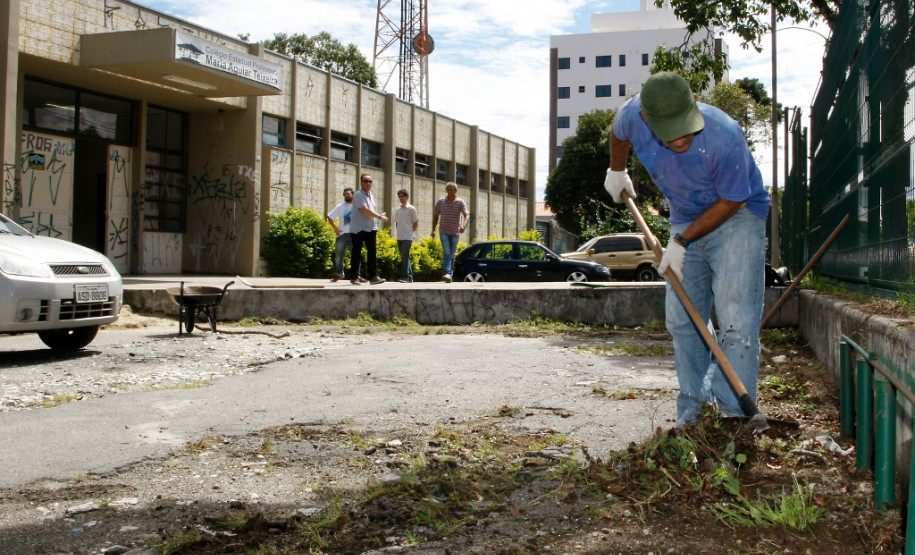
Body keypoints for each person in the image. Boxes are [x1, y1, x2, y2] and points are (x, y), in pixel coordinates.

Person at [605, 72, 771, 427]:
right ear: (647, 119)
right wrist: (617, 171)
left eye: (686, 126)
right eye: (670, 130)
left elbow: (732, 200)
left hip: (738, 215)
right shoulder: (633, 114)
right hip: (685, 216)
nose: (681, 138)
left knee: (736, 320)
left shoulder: (725, 135)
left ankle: (732, 417)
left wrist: (680, 242)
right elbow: (617, 133)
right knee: (682, 319)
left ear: (693, 101)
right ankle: (694, 413)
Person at [350, 173, 388, 285]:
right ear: (361, 182)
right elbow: (364, 209)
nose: (368, 183)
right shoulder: (358, 195)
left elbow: (370, 210)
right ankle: (354, 277)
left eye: (370, 181)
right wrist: (380, 216)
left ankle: (373, 276)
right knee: (357, 253)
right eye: (365, 181)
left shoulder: (370, 195)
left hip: (371, 228)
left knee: (372, 253)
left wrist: (378, 215)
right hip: (359, 229)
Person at [430, 182, 470, 283]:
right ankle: (448, 273)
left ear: (456, 191)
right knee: (447, 252)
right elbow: (436, 216)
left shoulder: (460, 202)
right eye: (448, 189)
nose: (450, 191)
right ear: (446, 190)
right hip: (443, 231)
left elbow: (466, 215)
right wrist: (433, 230)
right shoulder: (441, 202)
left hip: (455, 232)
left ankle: (450, 274)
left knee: (452, 254)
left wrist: (464, 226)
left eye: (452, 189)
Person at [325, 187, 355, 282]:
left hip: (354, 235)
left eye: (348, 194)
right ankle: (339, 273)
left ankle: (356, 276)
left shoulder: (357, 207)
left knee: (355, 256)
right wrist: (335, 229)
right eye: (345, 194)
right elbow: (330, 216)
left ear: (352, 195)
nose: (347, 195)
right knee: (338, 256)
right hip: (342, 235)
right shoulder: (340, 207)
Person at [393, 188, 419, 283]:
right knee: (404, 257)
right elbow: (397, 223)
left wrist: (410, 232)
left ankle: (405, 277)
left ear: (407, 197)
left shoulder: (411, 209)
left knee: (405, 257)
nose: (401, 198)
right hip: (400, 236)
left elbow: (416, 222)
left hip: (407, 237)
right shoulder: (398, 210)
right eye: (399, 197)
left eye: (402, 196)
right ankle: (409, 276)